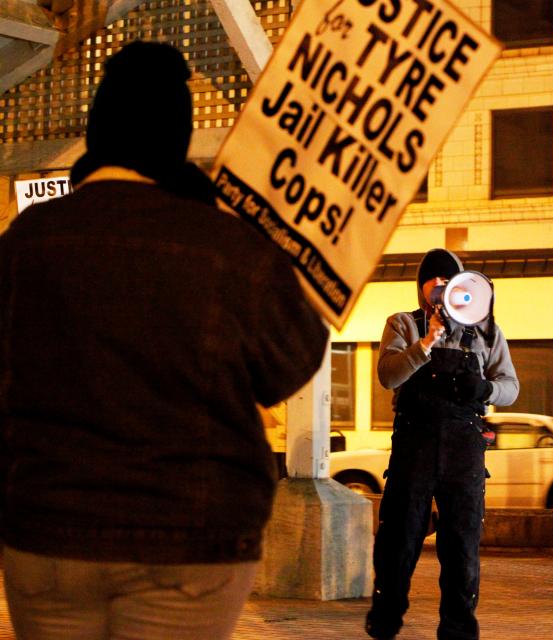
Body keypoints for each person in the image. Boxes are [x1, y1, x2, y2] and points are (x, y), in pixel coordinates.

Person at [0, 41, 328, 639]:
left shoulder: (26, 240)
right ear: (176, 136)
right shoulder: (227, 248)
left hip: (47, 529)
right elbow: (289, 363)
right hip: (189, 534)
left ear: (99, 130)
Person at [366, 248, 519, 640]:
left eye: (446, 281)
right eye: (430, 281)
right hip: (414, 444)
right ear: (420, 287)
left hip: (464, 449)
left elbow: (511, 387)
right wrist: (426, 344)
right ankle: (385, 620)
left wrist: (485, 388)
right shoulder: (403, 323)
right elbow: (388, 376)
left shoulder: (486, 331)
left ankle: (458, 629)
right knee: (399, 539)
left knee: (462, 544)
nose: (438, 288)